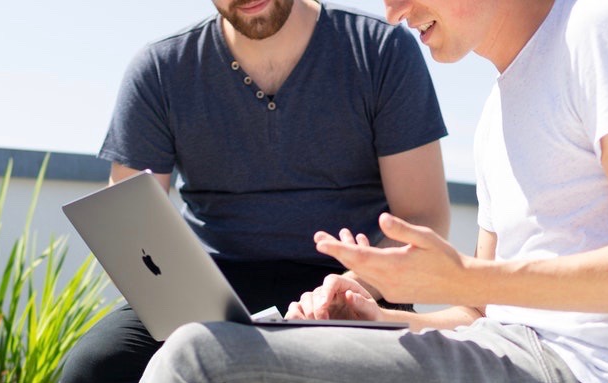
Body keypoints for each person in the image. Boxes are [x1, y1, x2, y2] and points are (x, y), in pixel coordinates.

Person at [142, 0, 608, 382]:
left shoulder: (600, 29)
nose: (393, 13)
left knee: (201, 359)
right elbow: (481, 313)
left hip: (587, 369)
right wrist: (376, 319)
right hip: (516, 348)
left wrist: (461, 277)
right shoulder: (498, 108)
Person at [60, 0, 451, 381]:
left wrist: (354, 284)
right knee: (96, 365)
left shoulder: (381, 49)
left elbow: (422, 218)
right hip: (212, 287)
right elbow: (128, 224)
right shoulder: (161, 69)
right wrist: (177, 298)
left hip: (353, 282)